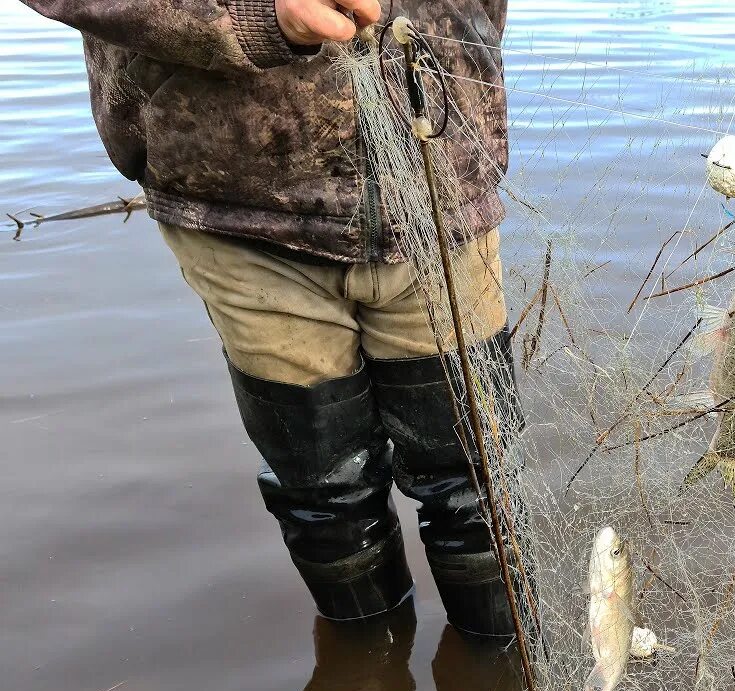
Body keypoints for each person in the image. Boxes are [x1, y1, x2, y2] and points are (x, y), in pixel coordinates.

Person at [19, 0, 522, 635]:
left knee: (477, 491)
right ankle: (367, 660)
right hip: (241, 210)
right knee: (325, 498)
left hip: (442, 178)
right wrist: (249, 16)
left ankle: (487, 674)